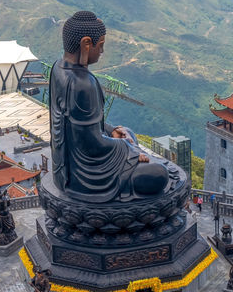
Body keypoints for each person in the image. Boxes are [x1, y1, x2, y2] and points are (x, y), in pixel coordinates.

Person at [50, 11, 169, 201]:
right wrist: (129, 150)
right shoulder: (82, 84)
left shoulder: (58, 68)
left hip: (64, 169)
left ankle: (128, 145)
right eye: (101, 46)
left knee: (126, 131)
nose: (102, 52)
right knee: (159, 174)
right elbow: (92, 144)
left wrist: (112, 130)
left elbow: (76, 126)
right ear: (87, 44)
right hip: (85, 177)